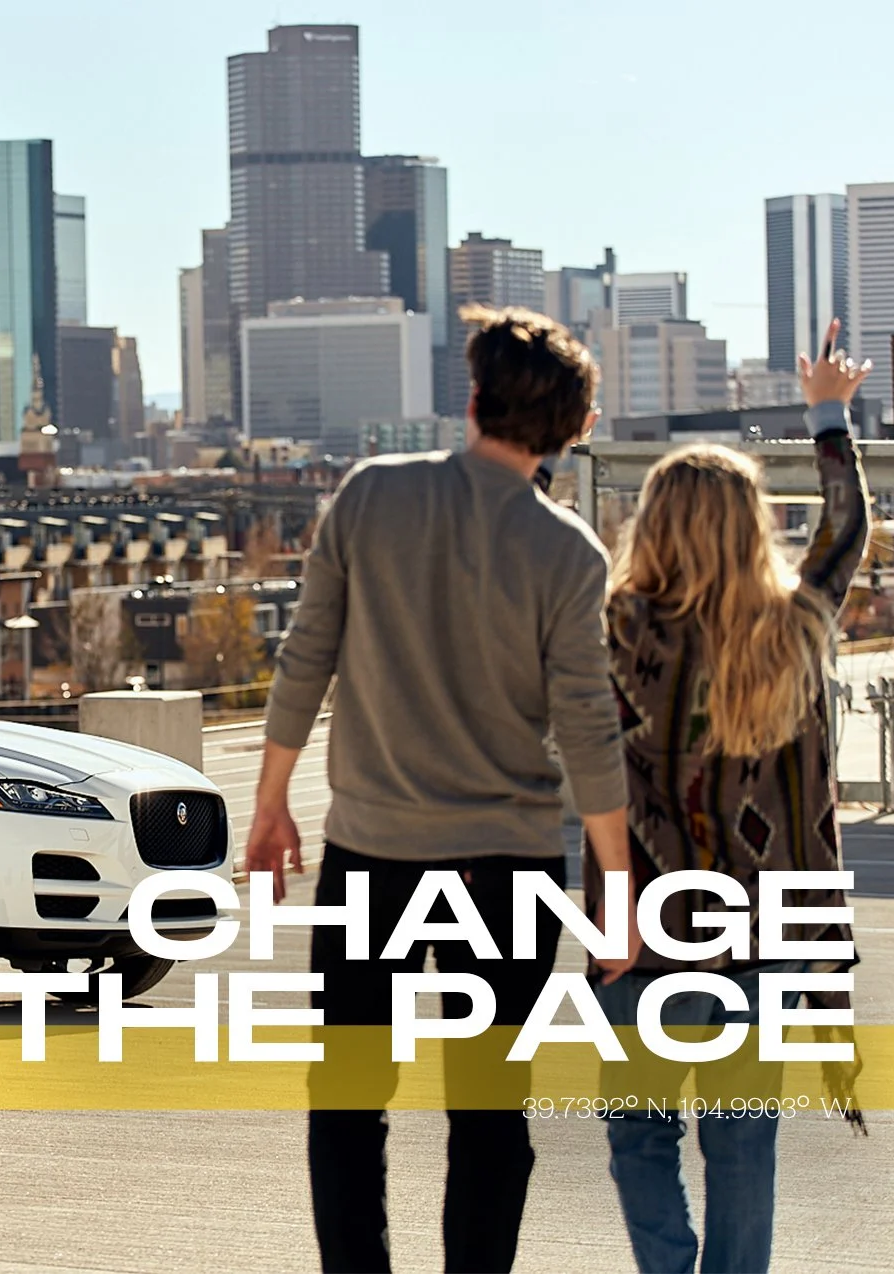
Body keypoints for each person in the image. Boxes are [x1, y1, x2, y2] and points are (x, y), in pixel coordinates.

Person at [243, 305, 637, 1273]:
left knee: (346, 1102)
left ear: (471, 401)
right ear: (573, 430)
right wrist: (615, 892)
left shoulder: (370, 495)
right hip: (506, 871)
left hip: (372, 855)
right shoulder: (570, 555)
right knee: (491, 1113)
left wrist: (269, 801)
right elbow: (589, 733)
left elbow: (306, 658)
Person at [587, 318, 869, 1274]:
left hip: (642, 936)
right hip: (762, 939)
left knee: (639, 1139)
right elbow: (844, 530)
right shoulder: (792, 632)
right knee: (744, 1147)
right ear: (752, 527)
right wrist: (828, 412)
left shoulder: (615, 634)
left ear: (652, 527)